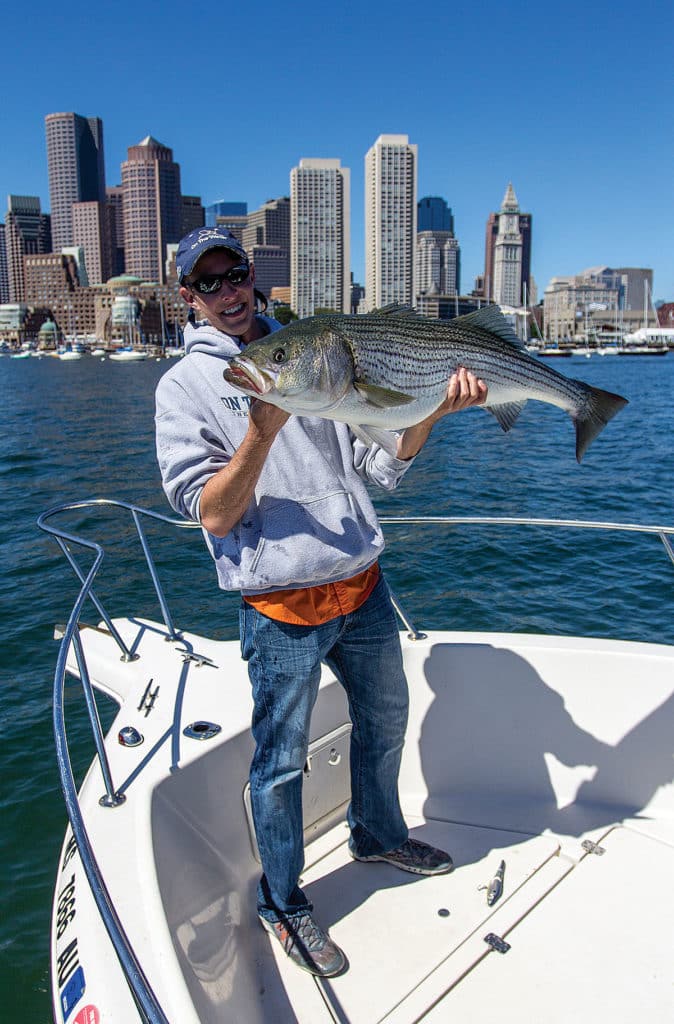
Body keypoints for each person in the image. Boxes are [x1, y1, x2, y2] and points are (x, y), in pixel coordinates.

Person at [155, 226, 488, 978]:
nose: (229, 293)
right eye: (209, 284)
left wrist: (430, 411)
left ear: (251, 275)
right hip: (279, 607)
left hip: (363, 585)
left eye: (234, 274)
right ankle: (284, 904)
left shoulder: (316, 348)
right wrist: (261, 435)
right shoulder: (187, 388)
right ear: (189, 298)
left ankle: (377, 835)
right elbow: (209, 512)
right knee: (278, 766)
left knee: (386, 722)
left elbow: (378, 461)